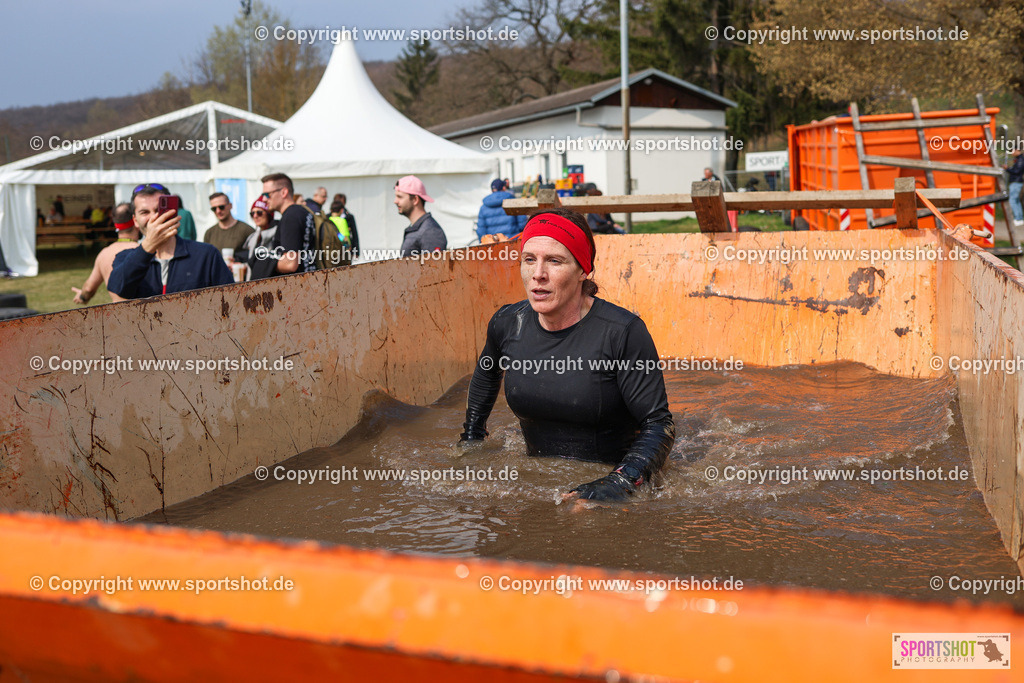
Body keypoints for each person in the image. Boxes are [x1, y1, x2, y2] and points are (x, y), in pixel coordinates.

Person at [460, 207, 675, 501]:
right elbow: (487, 373)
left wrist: (620, 483)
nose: (538, 275)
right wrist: (472, 439)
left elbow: (659, 425)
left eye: (554, 261)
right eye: (529, 260)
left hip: (605, 483)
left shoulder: (622, 332)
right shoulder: (508, 323)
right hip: (536, 484)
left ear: (583, 270)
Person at [107, 184, 233, 299]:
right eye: (144, 212)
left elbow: (230, 300)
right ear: (135, 220)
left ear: (172, 213)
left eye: (158, 210)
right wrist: (147, 247)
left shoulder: (206, 255)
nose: (153, 218)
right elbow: (119, 288)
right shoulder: (124, 258)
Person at [72, 203, 139, 305]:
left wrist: (82, 296)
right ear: (136, 220)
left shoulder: (105, 253)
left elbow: (89, 289)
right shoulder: (144, 252)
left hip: (118, 314)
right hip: (145, 312)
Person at [259, 172, 316, 275]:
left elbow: (290, 264)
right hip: (310, 279)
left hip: (300, 285)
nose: (264, 199)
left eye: (267, 194)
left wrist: (262, 265)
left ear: (284, 192)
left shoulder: (291, 216)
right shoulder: (302, 212)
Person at [395, 175, 446, 257]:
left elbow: (434, 268)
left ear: (415, 199)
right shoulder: (418, 229)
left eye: (400, 197)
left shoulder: (431, 232)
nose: (395, 201)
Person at [240, 197, 278, 280]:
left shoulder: (278, 234)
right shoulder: (252, 237)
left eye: (259, 212)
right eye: (252, 213)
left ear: (268, 214)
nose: (255, 216)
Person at [334, 193, 360, 258]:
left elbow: (354, 234)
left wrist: (356, 251)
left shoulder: (349, 217)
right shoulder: (329, 217)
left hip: (346, 247)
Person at [1006, 149, 1024, 228]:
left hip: (1016, 182)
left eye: (1013, 151)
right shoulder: (1018, 160)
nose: (1012, 153)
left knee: (1012, 200)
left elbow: (1016, 171)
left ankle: (1018, 218)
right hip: (1016, 182)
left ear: (1018, 150)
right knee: (1016, 201)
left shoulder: (1020, 160)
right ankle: (1019, 218)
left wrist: (1007, 169)